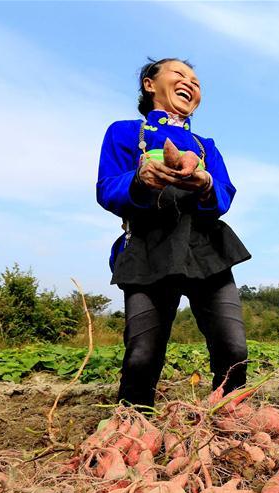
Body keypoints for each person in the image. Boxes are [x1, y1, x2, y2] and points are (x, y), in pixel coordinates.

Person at [96, 57, 250, 409]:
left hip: (206, 248)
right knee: (142, 353)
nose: (190, 83)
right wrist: (139, 179)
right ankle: (133, 423)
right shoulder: (124, 132)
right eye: (179, 74)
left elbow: (225, 194)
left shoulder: (204, 145)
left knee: (233, 348)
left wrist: (206, 183)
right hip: (147, 246)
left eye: (196, 81)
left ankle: (230, 417)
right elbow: (106, 189)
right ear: (150, 84)